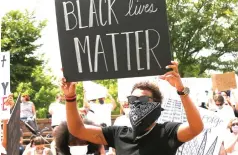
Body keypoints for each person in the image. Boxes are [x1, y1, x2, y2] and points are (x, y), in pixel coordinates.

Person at [61, 61, 204, 155]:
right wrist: (70, 97)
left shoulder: (166, 132)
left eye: (142, 99)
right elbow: (77, 130)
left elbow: (196, 127)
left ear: (156, 105)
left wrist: (180, 90)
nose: (136, 103)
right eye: (132, 99)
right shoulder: (118, 134)